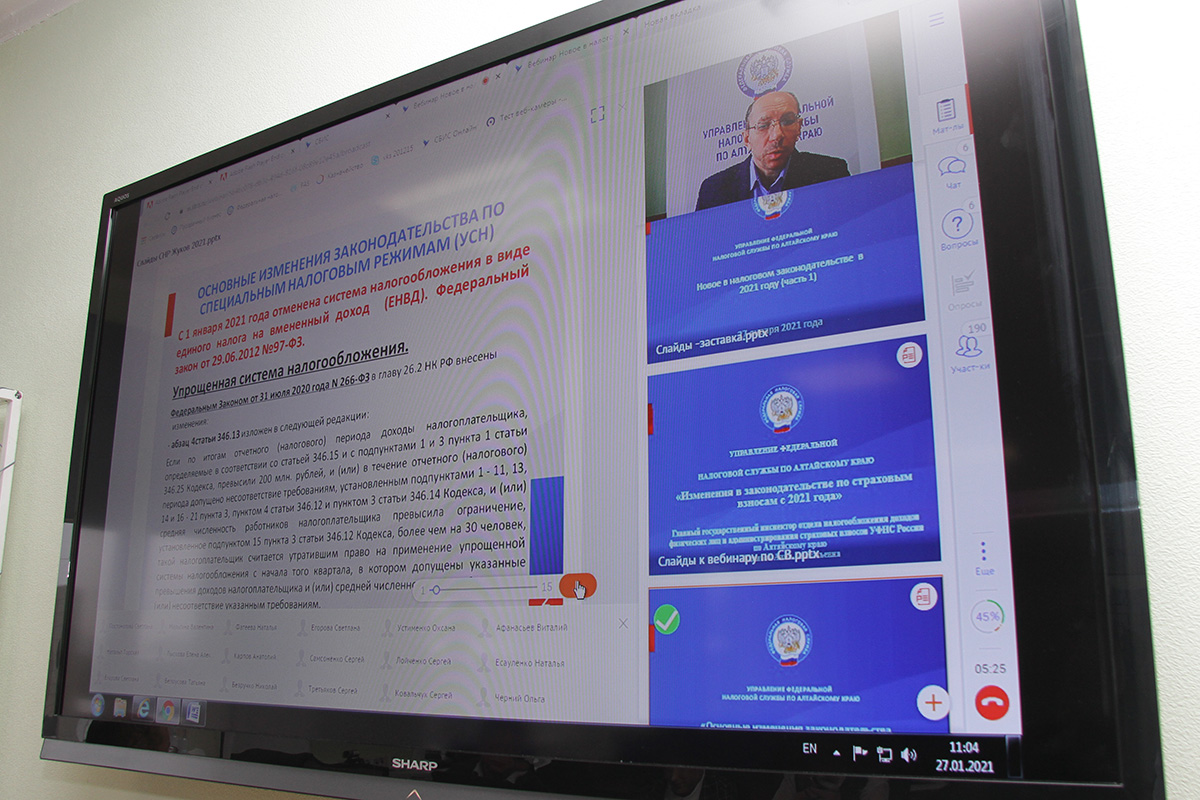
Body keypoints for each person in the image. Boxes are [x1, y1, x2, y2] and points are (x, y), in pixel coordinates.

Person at [695, 91, 849, 212]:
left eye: (787, 121)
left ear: (799, 127)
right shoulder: (714, 190)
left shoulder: (831, 174)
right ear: (747, 139)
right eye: (763, 125)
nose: (777, 135)